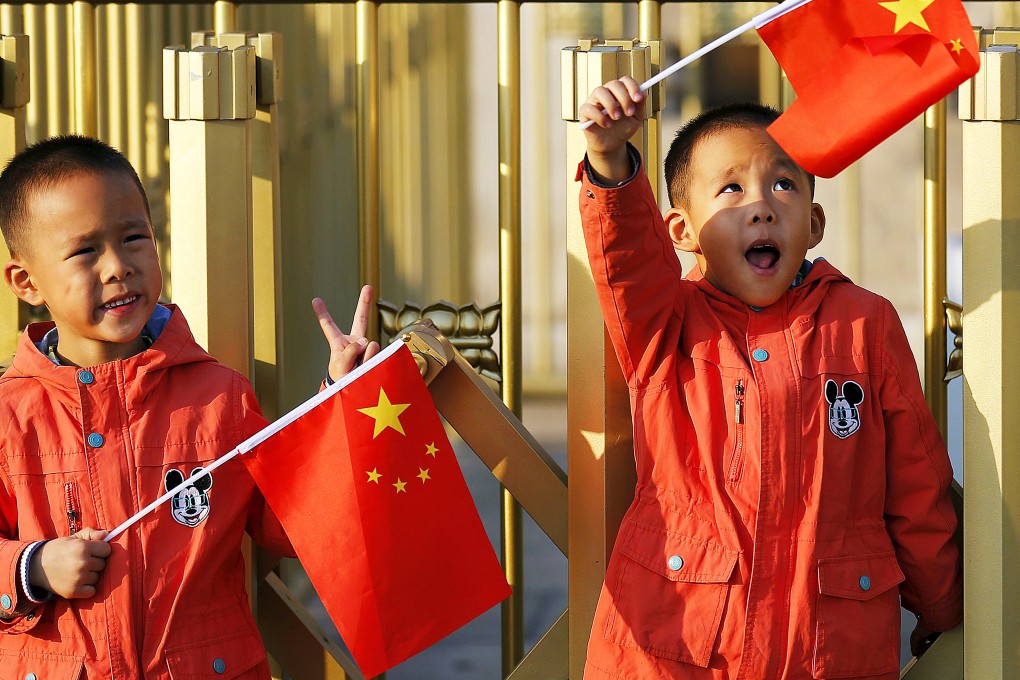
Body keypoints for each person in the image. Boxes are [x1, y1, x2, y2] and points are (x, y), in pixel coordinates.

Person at [577, 77, 962, 680]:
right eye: (730, 188)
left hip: (830, 646)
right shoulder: (665, 322)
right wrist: (610, 162)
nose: (761, 204)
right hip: (681, 644)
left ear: (813, 222)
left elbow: (916, 481)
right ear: (681, 232)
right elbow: (626, 255)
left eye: (783, 184)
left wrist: (943, 606)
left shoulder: (864, 322)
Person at [0, 135, 379, 678]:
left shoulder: (217, 395)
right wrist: (33, 567)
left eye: (134, 238)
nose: (117, 266)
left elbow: (288, 527)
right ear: (26, 281)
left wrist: (338, 402)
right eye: (85, 251)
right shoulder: (11, 413)